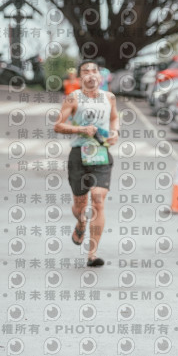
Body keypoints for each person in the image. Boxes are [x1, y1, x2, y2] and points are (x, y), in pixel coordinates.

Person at [54, 60, 119, 267]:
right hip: (78, 155)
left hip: (101, 153)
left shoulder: (109, 97)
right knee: (80, 206)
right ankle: (81, 222)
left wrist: (115, 132)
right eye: (86, 72)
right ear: (80, 77)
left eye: (94, 71)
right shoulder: (73, 98)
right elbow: (58, 125)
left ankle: (92, 253)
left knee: (98, 200)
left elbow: (114, 118)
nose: (91, 75)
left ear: (100, 76)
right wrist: (81, 130)